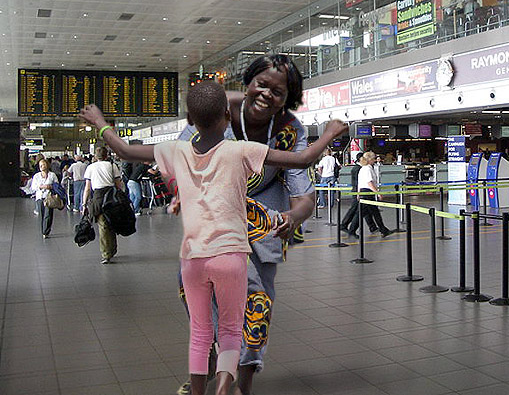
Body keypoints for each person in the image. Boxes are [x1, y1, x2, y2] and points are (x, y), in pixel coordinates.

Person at [78, 82, 346, 395]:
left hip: (194, 257)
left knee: (201, 331)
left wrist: (99, 122)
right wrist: (328, 133)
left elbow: (124, 150)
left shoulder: (177, 151)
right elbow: (301, 160)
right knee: (234, 328)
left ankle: (202, 390)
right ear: (227, 116)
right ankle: (224, 387)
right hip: (232, 256)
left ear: (189, 120)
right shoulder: (240, 151)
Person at [176, 54, 323, 395]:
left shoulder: (290, 130)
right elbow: (183, 157)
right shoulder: (218, 111)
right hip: (210, 228)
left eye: (279, 91)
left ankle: (243, 383)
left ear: (289, 99)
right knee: (196, 297)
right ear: (248, 82)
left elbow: (303, 192)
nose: (267, 95)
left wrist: (292, 217)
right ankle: (211, 362)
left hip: (261, 229)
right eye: (262, 84)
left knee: (257, 306)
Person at [82, 147, 124, 264]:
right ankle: (113, 249)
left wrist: (84, 204)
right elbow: (118, 184)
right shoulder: (112, 166)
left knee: (102, 225)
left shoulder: (90, 167)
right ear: (107, 155)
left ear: (95, 156)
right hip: (111, 196)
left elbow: (87, 188)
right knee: (112, 222)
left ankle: (106, 254)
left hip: (98, 197)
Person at [349, 151, 393, 238]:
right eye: (373, 159)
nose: (375, 160)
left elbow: (360, 183)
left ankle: (383, 229)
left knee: (371, 212)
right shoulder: (368, 169)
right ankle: (352, 230)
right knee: (366, 213)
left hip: (363, 192)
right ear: (369, 160)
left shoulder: (363, 168)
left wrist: (358, 194)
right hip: (368, 193)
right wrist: (377, 193)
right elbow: (369, 182)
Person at [339, 152, 378, 235]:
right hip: (360, 192)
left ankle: (373, 226)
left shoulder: (360, 168)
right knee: (355, 210)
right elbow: (360, 182)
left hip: (360, 192)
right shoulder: (359, 169)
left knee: (365, 210)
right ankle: (344, 225)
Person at [30, 158, 58, 239]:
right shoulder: (36, 176)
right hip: (40, 197)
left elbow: (57, 185)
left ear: (47, 165)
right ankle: (43, 229)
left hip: (49, 197)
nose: (42, 167)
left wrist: (51, 186)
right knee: (42, 214)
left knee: (48, 214)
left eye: (44, 165)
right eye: (40, 165)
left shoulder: (52, 175)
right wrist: (41, 187)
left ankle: (46, 231)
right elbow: (33, 187)